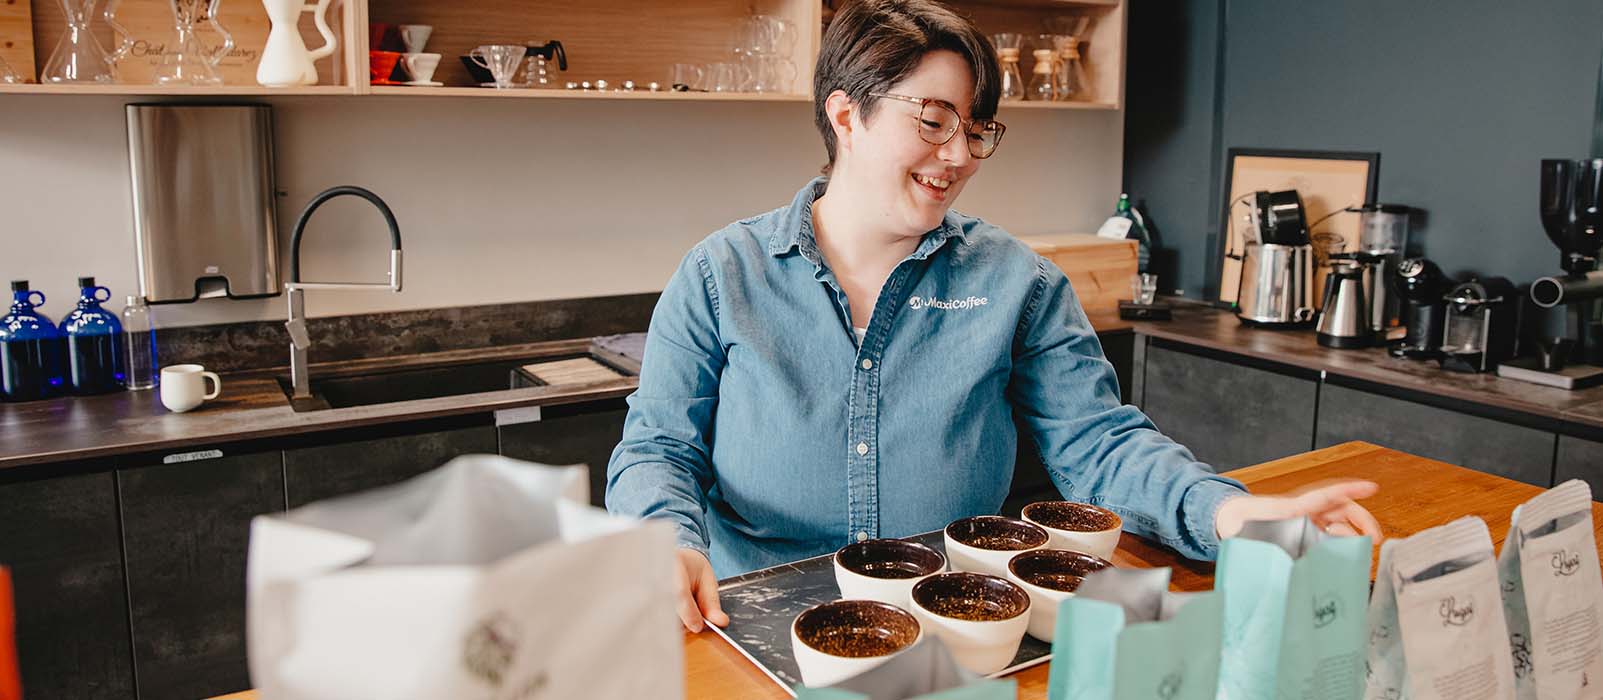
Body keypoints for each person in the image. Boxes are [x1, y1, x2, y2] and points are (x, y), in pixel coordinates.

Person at [607, 0, 1381, 634]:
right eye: (933, 120)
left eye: (975, 129)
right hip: (752, 619)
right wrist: (666, 541)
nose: (960, 155)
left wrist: (1227, 512)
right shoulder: (720, 273)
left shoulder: (1018, 282)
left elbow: (1098, 442)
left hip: (957, 621)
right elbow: (657, 448)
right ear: (845, 115)